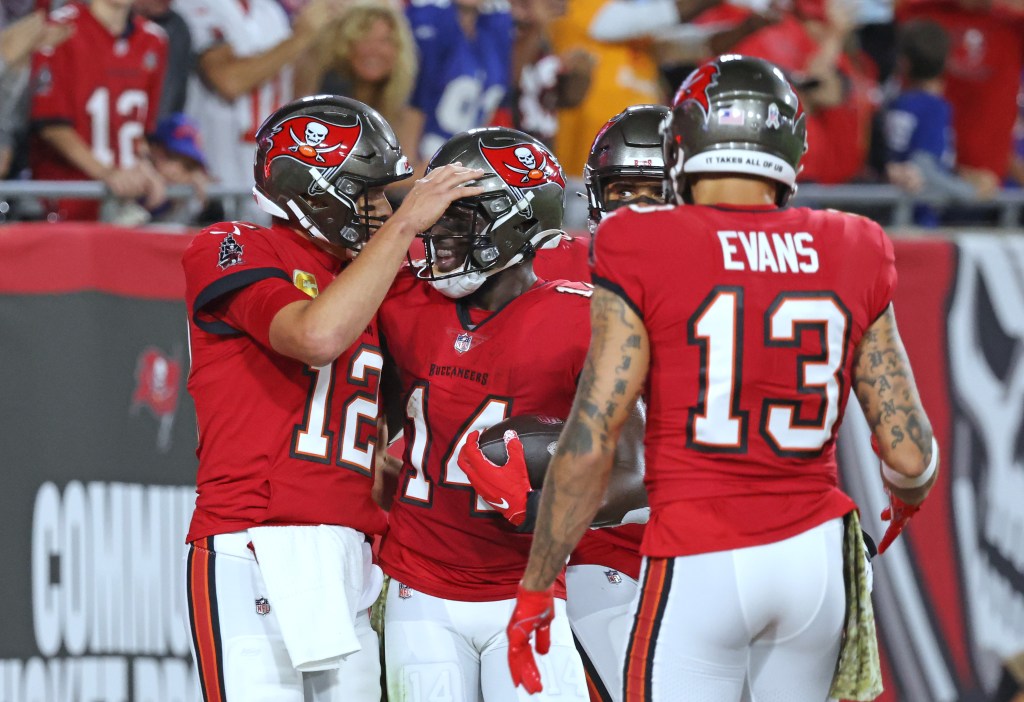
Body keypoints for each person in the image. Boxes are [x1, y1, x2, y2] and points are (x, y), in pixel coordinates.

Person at [507, 55, 940, 700]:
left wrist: (537, 582)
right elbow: (910, 455)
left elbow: (591, 439)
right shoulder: (857, 243)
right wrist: (902, 504)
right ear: (793, 144)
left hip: (699, 548)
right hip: (815, 557)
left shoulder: (638, 245)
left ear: (681, 142)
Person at [180, 94, 485, 702]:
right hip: (256, 541)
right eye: (370, 194)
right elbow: (315, 335)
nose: (386, 209)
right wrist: (400, 231)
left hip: (351, 548)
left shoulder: (382, 277)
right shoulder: (234, 245)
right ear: (315, 191)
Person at [375, 126, 590, 701]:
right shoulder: (398, 299)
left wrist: (561, 492)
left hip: (529, 584)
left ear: (515, 220)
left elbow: (645, 455)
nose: (436, 231)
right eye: (436, 213)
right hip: (418, 587)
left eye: (457, 215)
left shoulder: (581, 321)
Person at [173, 0, 351, 220]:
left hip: (267, 168)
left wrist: (316, 42)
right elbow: (229, 81)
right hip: (216, 166)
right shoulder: (195, 5)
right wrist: (301, 37)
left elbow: (298, 95)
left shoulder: (270, 10)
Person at [29, 0, 167, 220]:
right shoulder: (60, 30)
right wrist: (107, 173)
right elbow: (51, 125)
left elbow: (140, 129)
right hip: (67, 199)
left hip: (123, 202)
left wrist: (146, 167)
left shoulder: (154, 40)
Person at [883, 19, 996, 225]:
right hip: (919, 217)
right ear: (946, 63)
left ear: (904, 62)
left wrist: (964, 175)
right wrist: (970, 193)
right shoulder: (934, 107)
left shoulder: (893, 103)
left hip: (890, 210)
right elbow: (923, 167)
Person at [404, 0, 514, 173]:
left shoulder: (495, 25)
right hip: (421, 163)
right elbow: (409, 101)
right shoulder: (422, 18)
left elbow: (499, 99)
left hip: (463, 163)